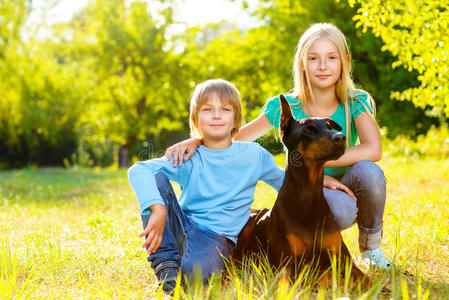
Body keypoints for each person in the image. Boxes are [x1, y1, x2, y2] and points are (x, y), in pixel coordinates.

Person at [164, 23, 392, 271]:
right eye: (314, 58)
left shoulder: (356, 101)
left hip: (347, 180)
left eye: (331, 57)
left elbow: (373, 149)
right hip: (309, 192)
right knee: (340, 209)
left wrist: (317, 160)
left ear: (344, 61)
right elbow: (235, 137)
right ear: (302, 63)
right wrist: (198, 139)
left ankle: (370, 249)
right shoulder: (284, 105)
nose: (323, 66)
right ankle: (314, 254)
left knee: (370, 173)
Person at [128, 79, 287, 292]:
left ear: (236, 118)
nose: (216, 115)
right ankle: (165, 268)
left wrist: (325, 182)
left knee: (196, 274)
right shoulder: (189, 156)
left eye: (225, 109)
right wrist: (158, 208)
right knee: (156, 177)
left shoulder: (255, 155)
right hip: (182, 226)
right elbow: (139, 170)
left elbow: (286, 185)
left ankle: (181, 273)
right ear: (195, 119)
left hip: (217, 239)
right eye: (207, 109)